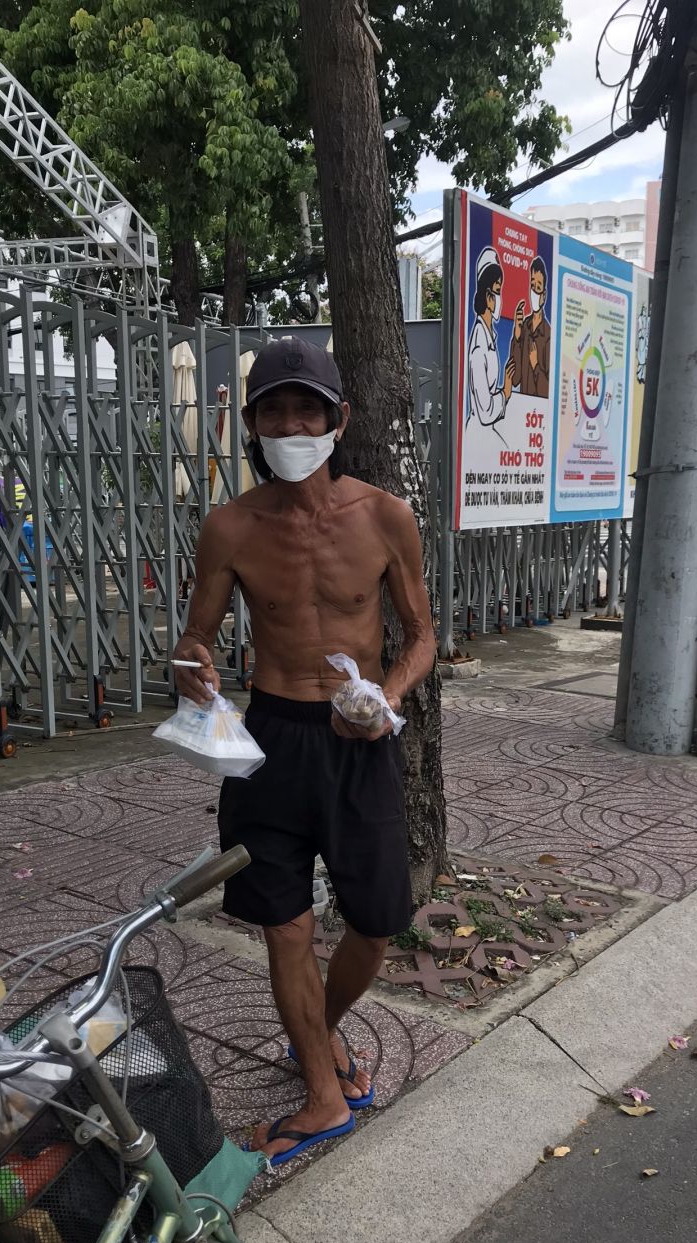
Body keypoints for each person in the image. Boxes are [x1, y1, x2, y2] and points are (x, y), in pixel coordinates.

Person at [172, 337, 435, 1165]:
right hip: (271, 742)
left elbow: (422, 635)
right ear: (252, 424)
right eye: (274, 412)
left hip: (359, 743)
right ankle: (323, 1094)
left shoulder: (385, 517)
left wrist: (385, 698)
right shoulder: (230, 526)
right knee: (284, 927)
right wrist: (192, 668)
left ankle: (315, 1036)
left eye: (306, 411)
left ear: (337, 420)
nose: (291, 426)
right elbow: (195, 637)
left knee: (376, 923)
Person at [466, 247, 516, 434]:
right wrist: (506, 392)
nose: (500, 298)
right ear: (487, 297)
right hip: (478, 433)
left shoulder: (489, 337)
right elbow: (485, 411)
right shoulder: (479, 345)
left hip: (487, 431)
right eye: (497, 291)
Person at [508, 255, 552, 399]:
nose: (534, 291)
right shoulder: (525, 327)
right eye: (532, 286)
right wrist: (517, 336)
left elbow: (548, 391)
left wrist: (536, 365)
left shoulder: (548, 335)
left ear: (544, 295)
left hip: (539, 411)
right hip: (522, 407)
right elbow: (515, 379)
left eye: (538, 287)